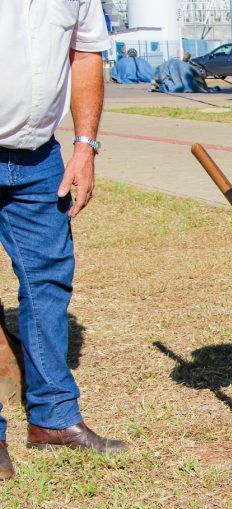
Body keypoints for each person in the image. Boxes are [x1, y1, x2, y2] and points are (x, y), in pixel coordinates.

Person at [0, 1, 128, 480]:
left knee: (48, 282)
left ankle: (53, 418)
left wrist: (84, 145)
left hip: (38, 160)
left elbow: (86, 53)